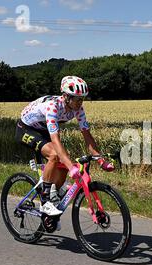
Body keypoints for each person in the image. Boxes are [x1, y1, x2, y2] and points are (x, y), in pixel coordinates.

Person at [15, 76, 115, 223]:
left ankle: (55, 193)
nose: (80, 103)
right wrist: (71, 168)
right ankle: (46, 200)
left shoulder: (78, 109)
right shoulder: (53, 106)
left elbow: (87, 136)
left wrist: (100, 160)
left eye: (82, 99)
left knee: (63, 160)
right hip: (26, 128)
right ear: (66, 97)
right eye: (77, 99)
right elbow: (55, 139)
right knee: (55, 155)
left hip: (43, 130)